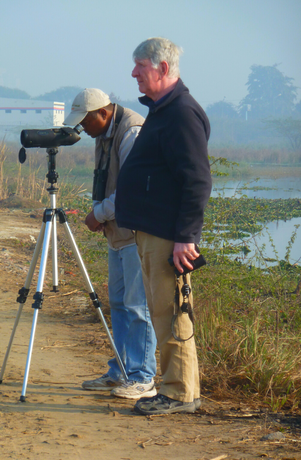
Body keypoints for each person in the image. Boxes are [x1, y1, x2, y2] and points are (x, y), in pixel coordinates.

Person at [115, 37, 212, 415]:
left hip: (168, 235)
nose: (134, 73)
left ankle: (178, 393)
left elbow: (197, 180)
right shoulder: (163, 110)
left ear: (163, 68)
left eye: (141, 65)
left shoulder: (182, 112)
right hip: (153, 231)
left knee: (170, 311)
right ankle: (176, 388)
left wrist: (185, 237)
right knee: (161, 310)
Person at [63, 88, 157, 399]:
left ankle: (143, 377)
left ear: (103, 113)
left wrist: (99, 213)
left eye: (86, 121)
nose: (83, 128)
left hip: (135, 232)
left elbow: (133, 189)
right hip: (117, 232)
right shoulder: (105, 133)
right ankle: (120, 370)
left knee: (137, 306)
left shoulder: (131, 130)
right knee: (118, 303)